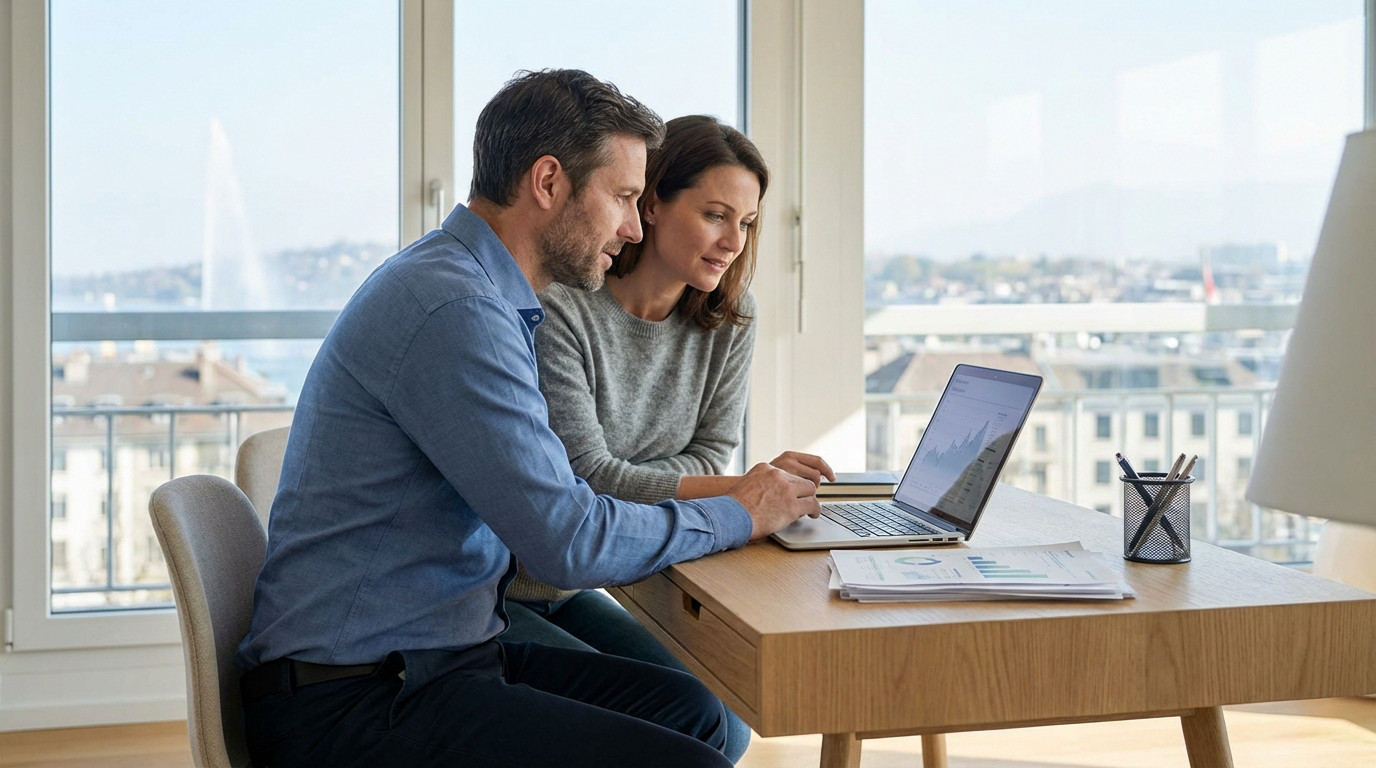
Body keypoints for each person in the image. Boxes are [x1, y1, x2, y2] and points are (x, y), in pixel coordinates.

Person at [234, 69, 821, 768]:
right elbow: (567, 541)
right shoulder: (456, 310)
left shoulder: (480, 295)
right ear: (548, 183)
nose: (634, 226)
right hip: (356, 699)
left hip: (439, 657)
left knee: (692, 712)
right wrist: (740, 512)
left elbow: (567, 500)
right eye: (625, 197)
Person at [503, 115, 834, 763]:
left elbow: (708, 452)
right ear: (652, 204)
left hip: (574, 587)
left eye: (746, 223)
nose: (732, 241)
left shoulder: (731, 317)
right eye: (715, 214)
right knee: (688, 728)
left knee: (726, 719)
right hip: (504, 588)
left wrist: (727, 482)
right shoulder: (566, 308)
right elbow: (585, 479)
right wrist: (747, 492)